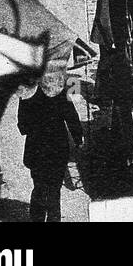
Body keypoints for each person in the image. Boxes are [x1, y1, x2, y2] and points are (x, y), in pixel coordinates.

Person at [16, 78, 83, 223]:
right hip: (57, 148)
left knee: (39, 188)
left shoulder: (27, 93)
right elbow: (71, 116)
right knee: (54, 191)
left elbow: (22, 127)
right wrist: (78, 139)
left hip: (36, 150)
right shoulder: (58, 91)